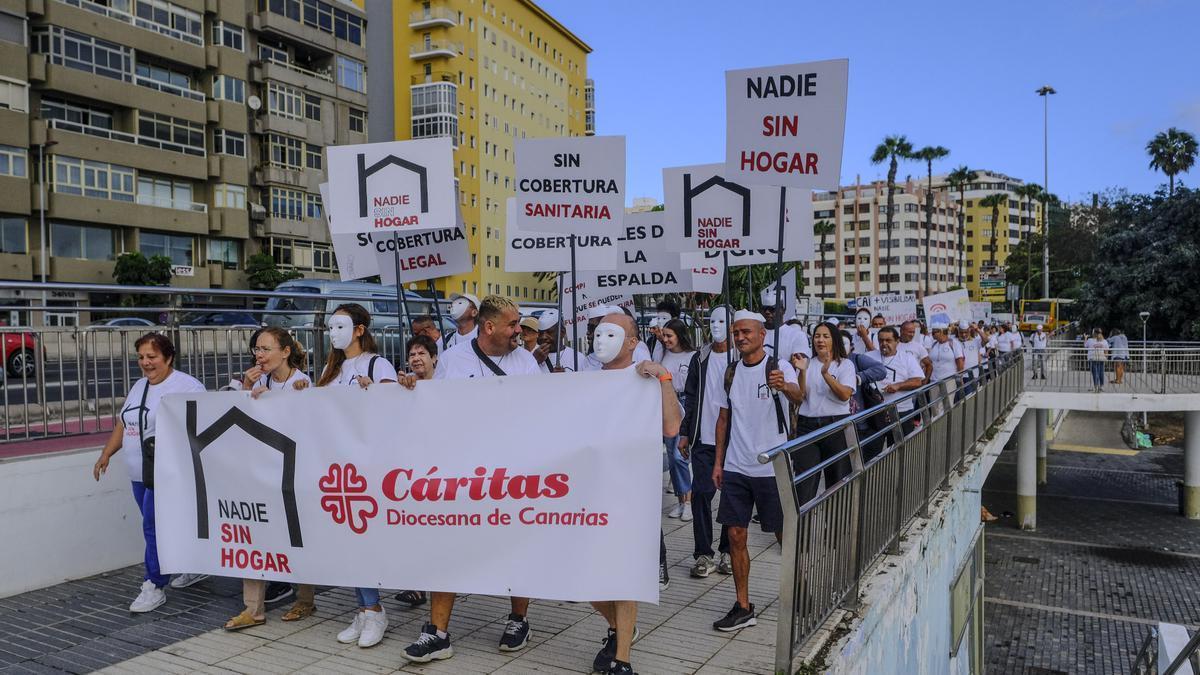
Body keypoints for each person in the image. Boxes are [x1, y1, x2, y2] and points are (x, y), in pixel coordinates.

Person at [401, 295, 541, 664]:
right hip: (463, 472)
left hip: (512, 474)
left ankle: (519, 619)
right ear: (490, 327)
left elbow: (542, 411)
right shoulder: (452, 359)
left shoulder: (526, 362)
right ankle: (437, 633)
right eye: (513, 324)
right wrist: (415, 391)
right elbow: (436, 409)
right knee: (447, 546)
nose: (519, 331)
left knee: (516, 545)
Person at [583, 311, 681, 675]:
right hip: (589, 494)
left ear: (632, 342)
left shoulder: (646, 378)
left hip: (630, 495)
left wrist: (664, 378)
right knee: (588, 580)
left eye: (611, 333)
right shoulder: (583, 381)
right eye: (596, 332)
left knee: (624, 576)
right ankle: (619, 628)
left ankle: (622, 658)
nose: (599, 340)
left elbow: (671, 426)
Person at [92, 333, 206, 613]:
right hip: (138, 474)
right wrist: (106, 454)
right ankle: (194, 565)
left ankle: (154, 584)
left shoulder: (187, 386)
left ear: (168, 358)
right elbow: (123, 423)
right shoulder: (139, 386)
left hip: (165, 474)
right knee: (163, 527)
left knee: (152, 528)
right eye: (141, 357)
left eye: (152, 357)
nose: (146, 363)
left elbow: (202, 426)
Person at [710, 310, 802, 633]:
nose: (740, 338)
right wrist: (718, 462)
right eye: (736, 333)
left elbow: (798, 397)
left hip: (771, 466)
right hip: (736, 466)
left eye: (746, 332)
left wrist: (786, 386)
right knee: (735, 535)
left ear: (762, 335)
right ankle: (743, 606)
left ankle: (799, 591)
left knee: (782, 535)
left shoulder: (777, 367)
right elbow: (723, 419)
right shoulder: (731, 371)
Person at [223, 327, 316, 630]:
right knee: (253, 536)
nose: (259, 355)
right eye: (256, 350)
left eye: (265, 349)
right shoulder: (255, 382)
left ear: (285, 352)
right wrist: (246, 395)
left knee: (296, 536)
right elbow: (232, 418)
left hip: (292, 474)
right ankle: (253, 608)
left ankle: (305, 599)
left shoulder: (302, 383)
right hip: (259, 474)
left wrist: (300, 398)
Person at [316, 303, 398, 649]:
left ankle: (375, 608)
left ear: (360, 330)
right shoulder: (331, 369)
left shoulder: (378, 365)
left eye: (340, 326)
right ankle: (364, 609)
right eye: (330, 327)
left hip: (367, 466)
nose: (333, 333)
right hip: (336, 465)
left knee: (361, 538)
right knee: (346, 541)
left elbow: (395, 409)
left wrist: (375, 394)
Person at [679, 306, 733, 579]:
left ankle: (728, 550)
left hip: (734, 441)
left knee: (731, 498)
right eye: (713, 320)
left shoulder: (739, 358)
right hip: (703, 438)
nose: (716, 325)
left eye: (723, 320)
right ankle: (703, 553)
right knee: (701, 493)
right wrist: (686, 431)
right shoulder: (700, 357)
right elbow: (690, 396)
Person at [392, 334, 439, 610]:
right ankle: (417, 586)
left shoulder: (446, 386)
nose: (416, 358)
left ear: (434, 358)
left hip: (438, 468)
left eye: (422, 353)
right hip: (411, 468)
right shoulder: (404, 387)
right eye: (412, 355)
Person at [793, 322, 857, 496]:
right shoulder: (807, 362)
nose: (820, 340)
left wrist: (826, 374)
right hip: (808, 426)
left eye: (825, 336)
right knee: (804, 482)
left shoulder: (845, 365)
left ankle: (836, 522)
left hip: (836, 425)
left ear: (834, 339)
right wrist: (803, 372)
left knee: (837, 481)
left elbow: (845, 395)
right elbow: (801, 396)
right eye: (817, 336)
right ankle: (803, 522)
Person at [658, 318, 696, 521]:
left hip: (684, 402)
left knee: (681, 457)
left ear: (679, 335)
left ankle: (689, 501)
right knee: (672, 458)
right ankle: (681, 501)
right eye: (663, 335)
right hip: (667, 403)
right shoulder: (662, 354)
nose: (665, 339)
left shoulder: (692, 356)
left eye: (669, 335)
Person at [876, 327, 925, 437]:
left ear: (897, 341)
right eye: (881, 340)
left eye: (888, 340)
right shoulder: (869, 356)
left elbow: (917, 382)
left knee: (902, 448)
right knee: (877, 451)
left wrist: (899, 386)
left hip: (901, 410)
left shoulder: (907, 358)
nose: (884, 343)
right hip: (876, 412)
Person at [760, 289, 811, 363]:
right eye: (764, 309)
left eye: (772, 309)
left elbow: (800, 365)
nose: (767, 312)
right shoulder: (754, 333)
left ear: (783, 310)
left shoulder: (797, 335)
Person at [929, 322, 965, 416]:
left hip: (949, 379)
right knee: (934, 406)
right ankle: (937, 426)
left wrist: (959, 376)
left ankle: (945, 427)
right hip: (934, 380)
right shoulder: (934, 344)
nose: (932, 334)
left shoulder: (954, 343)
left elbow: (960, 361)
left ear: (941, 332)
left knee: (946, 405)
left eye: (934, 332)